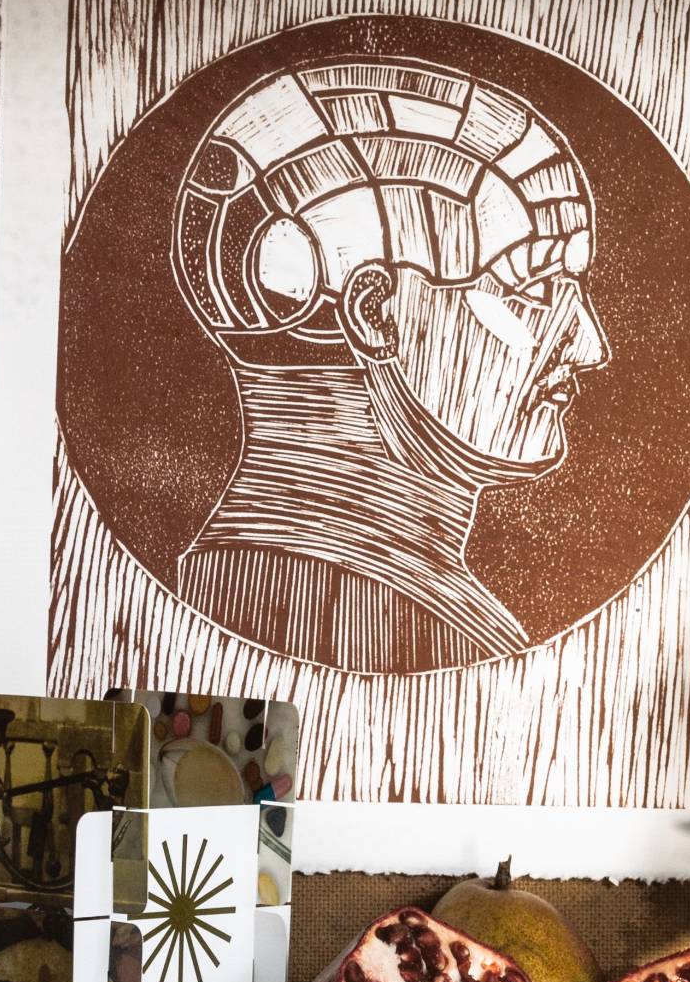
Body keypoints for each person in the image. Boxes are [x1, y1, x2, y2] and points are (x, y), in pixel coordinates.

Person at [169, 57, 611, 673]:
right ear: (374, 313)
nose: (590, 346)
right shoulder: (456, 645)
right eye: (532, 289)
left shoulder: (189, 594)